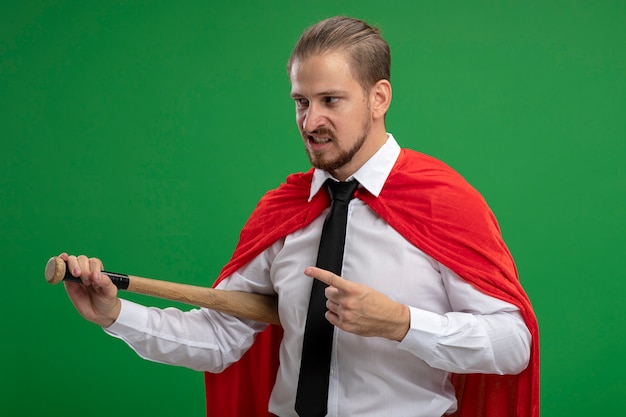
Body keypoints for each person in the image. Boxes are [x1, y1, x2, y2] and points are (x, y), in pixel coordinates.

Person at [61, 16, 539, 417]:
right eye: (301, 103)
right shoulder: (285, 209)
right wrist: (116, 314)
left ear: (379, 98)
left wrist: (400, 322)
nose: (311, 122)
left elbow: (513, 342)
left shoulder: (442, 201)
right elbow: (220, 337)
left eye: (331, 100)